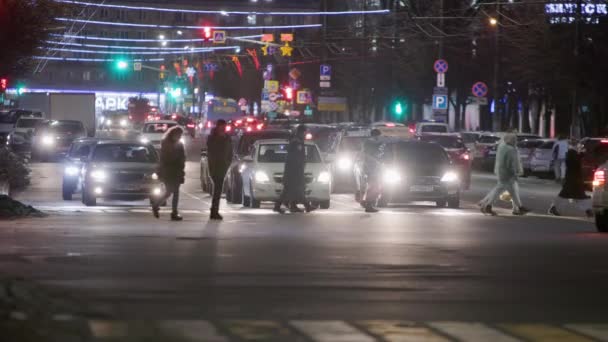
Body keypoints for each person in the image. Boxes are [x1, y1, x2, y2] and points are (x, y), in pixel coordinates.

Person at [479, 132, 530, 216]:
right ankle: (487, 205)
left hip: (501, 172)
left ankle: (519, 208)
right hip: (508, 174)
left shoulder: (502, 147)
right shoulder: (511, 149)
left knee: (505, 190)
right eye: (515, 139)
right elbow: (511, 163)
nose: (516, 141)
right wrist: (515, 173)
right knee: (509, 190)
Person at [274, 124, 313, 214]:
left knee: (288, 190)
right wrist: (299, 168)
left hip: (292, 170)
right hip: (294, 170)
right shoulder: (297, 142)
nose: (305, 134)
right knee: (299, 189)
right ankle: (307, 206)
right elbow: (296, 158)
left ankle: (286, 206)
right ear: (300, 132)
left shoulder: (297, 141)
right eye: (304, 132)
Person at [152, 126, 186, 221]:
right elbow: (165, 159)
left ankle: (173, 212)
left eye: (180, 135)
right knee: (170, 191)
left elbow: (182, 158)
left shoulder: (179, 144)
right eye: (178, 135)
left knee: (174, 192)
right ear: (173, 134)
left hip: (176, 171)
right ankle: (157, 205)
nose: (179, 137)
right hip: (169, 171)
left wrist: (182, 170)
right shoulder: (166, 144)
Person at [548, 148, 593, 217]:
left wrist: (582, 154)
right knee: (578, 196)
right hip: (573, 182)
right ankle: (588, 211)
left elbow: (578, 158)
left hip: (573, 181)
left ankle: (588, 211)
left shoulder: (571, 159)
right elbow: (577, 160)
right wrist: (582, 154)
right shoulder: (572, 161)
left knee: (577, 196)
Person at [206, 119, 233, 220]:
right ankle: (214, 211)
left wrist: (228, 162)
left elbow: (230, 151)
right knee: (217, 189)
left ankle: (214, 210)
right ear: (217, 126)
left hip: (223, 166)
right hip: (215, 166)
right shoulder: (212, 137)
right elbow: (212, 151)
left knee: (218, 190)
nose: (223, 128)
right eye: (221, 126)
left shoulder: (227, 138)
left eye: (224, 126)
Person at [361, 129, 383, 213]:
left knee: (371, 187)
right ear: (376, 135)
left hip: (371, 169)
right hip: (371, 169)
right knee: (373, 187)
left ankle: (368, 203)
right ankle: (369, 205)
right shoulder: (371, 142)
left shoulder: (369, 143)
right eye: (379, 136)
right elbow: (370, 156)